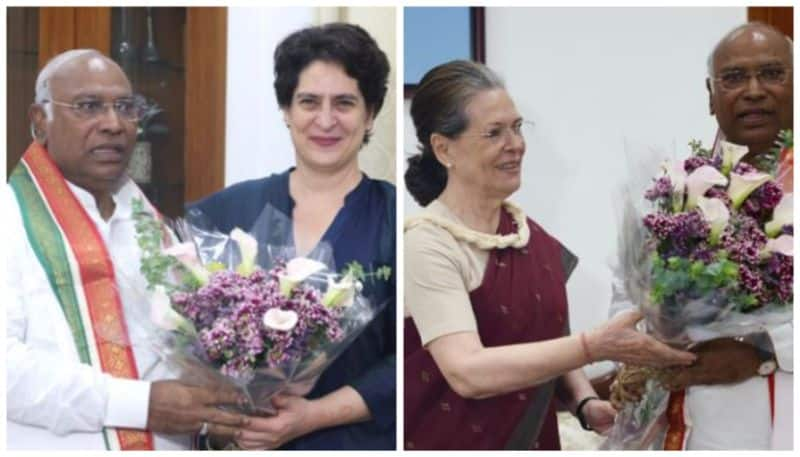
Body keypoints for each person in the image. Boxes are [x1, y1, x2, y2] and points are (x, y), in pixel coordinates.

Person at [402, 60, 696, 451]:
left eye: (517, 127)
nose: (516, 145)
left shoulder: (527, 236)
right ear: (443, 148)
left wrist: (585, 402)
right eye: (494, 133)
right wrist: (594, 346)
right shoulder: (428, 243)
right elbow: (467, 372)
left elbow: (549, 335)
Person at [5, 49, 249, 450]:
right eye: (88, 107)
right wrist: (139, 405)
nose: (113, 124)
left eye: (126, 107)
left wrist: (216, 409)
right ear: (40, 120)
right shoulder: (10, 220)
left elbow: (175, 352)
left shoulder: (152, 227)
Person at [190, 23, 395, 450]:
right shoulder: (222, 214)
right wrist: (219, 420)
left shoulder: (396, 218)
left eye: (344, 103)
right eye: (308, 102)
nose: (325, 120)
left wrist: (314, 415)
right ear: (286, 109)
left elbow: (414, 357)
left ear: (370, 113)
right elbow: (179, 340)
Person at [652, 22, 793, 450]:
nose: (753, 90)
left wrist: (765, 353)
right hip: (707, 423)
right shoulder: (674, 193)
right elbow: (632, 299)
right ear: (711, 95)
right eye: (733, 78)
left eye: (772, 74)